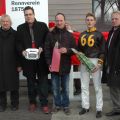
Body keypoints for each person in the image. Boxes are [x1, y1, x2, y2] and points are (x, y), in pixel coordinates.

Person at [16, 6, 49, 113]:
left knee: (43, 82)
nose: (28, 16)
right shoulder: (20, 28)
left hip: (41, 59)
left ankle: (44, 104)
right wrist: (22, 51)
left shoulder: (43, 26)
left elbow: (48, 40)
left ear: (34, 14)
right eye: (26, 14)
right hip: (28, 60)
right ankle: (32, 102)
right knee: (30, 83)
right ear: (24, 16)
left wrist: (42, 47)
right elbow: (18, 43)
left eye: (30, 14)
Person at [45, 13, 76, 115]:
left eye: (61, 20)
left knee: (66, 88)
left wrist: (66, 50)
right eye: (57, 20)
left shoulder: (70, 35)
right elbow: (47, 50)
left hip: (65, 66)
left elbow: (74, 50)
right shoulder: (50, 35)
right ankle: (57, 105)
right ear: (55, 21)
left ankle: (66, 106)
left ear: (64, 21)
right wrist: (49, 63)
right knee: (55, 88)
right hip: (54, 67)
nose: (59, 22)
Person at [78, 13, 106, 118]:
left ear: (94, 21)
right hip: (84, 61)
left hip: (95, 61)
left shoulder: (99, 34)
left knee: (97, 86)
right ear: (85, 21)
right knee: (84, 86)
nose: (89, 22)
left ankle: (99, 108)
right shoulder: (81, 34)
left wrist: (99, 63)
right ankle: (85, 106)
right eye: (87, 20)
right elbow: (79, 49)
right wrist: (80, 57)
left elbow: (103, 50)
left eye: (91, 20)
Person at [0, 14, 21, 112]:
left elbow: (19, 51)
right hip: (0, 64)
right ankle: (2, 104)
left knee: (14, 86)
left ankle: (14, 104)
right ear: (1, 23)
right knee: (1, 86)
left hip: (13, 64)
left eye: (7, 21)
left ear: (10, 22)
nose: (5, 23)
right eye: (3, 21)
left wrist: (20, 64)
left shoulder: (16, 34)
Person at [102, 11, 120, 116]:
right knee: (114, 88)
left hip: (117, 66)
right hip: (111, 64)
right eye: (112, 19)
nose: (113, 20)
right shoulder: (111, 31)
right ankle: (117, 108)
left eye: (116, 18)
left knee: (116, 87)